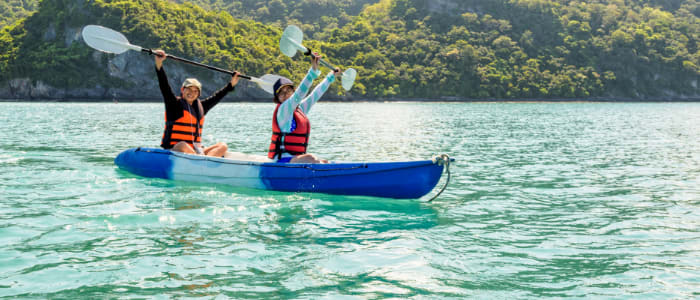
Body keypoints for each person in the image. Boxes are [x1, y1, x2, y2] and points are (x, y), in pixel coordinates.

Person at [154, 49, 239, 157]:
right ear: (182, 90)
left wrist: (231, 84)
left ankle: (205, 162)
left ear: (198, 94)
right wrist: (159, 64)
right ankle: (202, 161)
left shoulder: (201, 107)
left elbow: (217, 97)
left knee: (223, 146)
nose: (191, 93)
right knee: (182, 145)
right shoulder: (174, 104)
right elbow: (164, 86)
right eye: (188, 89)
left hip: (196, 152)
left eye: (195, 91)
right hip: (175, 149)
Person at [268, 53, 341, 163]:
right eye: (281, 93)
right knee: (311, 158)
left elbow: (315, 94)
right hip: (281, 160)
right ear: (277, 98)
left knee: (324, 161)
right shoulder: (283, 109)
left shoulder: (299, 109)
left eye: (288, 91)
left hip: (295, 159)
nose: (285, 94)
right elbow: (299, 95)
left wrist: (330, 77)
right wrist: (312, 71)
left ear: (292, 91)